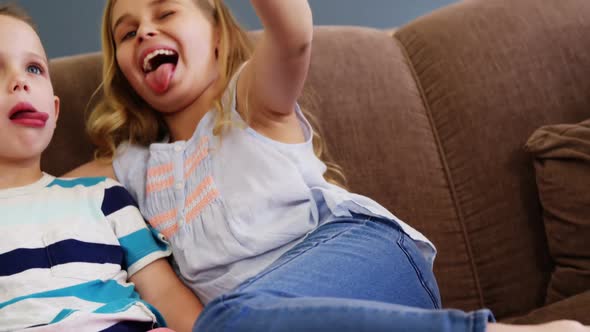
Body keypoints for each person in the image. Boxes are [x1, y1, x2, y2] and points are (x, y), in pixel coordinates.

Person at [68, 0, 589, 331]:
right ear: (124, 71)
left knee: (224, 324)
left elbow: (294, 34)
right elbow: (29, 189)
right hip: (263, 321)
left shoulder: (247, 100)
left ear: (219, 36)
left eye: (165, 13)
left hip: (364, 257)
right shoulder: (129, 166)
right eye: (126, 32)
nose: (145, 34)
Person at [0, 4, 202, 332]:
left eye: (34, 69)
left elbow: (165, 294)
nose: (20, 82)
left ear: (54, 110)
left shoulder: (104, 197)